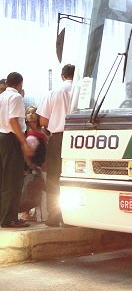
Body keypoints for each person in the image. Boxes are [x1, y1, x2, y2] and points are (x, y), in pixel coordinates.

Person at [36, 64, 75, 227]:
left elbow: (43, 121)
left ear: (62, 75)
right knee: (74, 178)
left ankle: (54, 216)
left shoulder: (54, 92)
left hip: (58, 138)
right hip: (78, 137)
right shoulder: (82, 91)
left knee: (54, 177)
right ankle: (73, 217)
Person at [0, 72, 33, 228]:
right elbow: (13, 120)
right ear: (20, 84)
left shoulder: (1, 96)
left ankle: (4, 217)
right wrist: (23, 142)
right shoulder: (16, 97)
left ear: (7, 83)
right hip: (11, 138)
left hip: (2, 138)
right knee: (13, 181)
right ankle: (10, 219)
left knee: (4, 180)